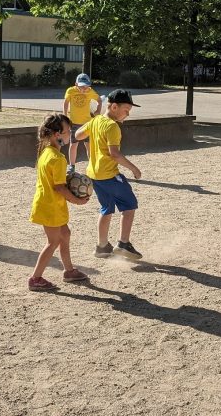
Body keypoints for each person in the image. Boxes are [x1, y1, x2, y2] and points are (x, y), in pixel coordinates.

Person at [76, 89, 143, 260]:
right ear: (114, 106)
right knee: (129, 205)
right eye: (126, 110)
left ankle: (102, 246)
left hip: (94, 175)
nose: (127, 114)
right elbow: (115, 154)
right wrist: (134, 168)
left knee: (106, 208)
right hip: (109, 175)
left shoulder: (97, 120)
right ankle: (123, 243)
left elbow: (77, 135)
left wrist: (92, 129)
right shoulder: (113, 127)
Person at [28, 113, 90, 291]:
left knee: (65, 234)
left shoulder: (47, 152)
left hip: (50, 204)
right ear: (57, 135)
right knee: (52, 242)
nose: (69, 134)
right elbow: (60, 188)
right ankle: (35, 278)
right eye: (67, 131)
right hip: (50, 207)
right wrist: (77, 200)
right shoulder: (57, 158)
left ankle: (69, 271)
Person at [63, 73, 101, 171]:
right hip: (74, 123)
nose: (84, 89)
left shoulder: (90, 91)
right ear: (76, 84)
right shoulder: (70, 91)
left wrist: (98, 110)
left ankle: (92, 165)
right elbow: (66, 102)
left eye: (86, 86)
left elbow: (99, 99)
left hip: (87, 124)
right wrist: (65, 115)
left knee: (88, 145)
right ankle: (72, 166)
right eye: (81, 86)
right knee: (73, 144)